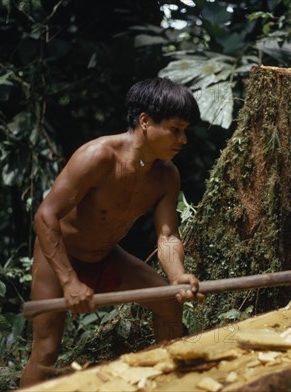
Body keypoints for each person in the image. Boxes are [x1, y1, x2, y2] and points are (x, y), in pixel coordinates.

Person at [20, 77, 205, 387]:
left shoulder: (166, 175)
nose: (183, 140)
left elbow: (168, 236)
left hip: (106, 257)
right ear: (145, 121)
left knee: (170, 306)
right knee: (46, 350)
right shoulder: (98, 156)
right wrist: (69, 281)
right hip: (61, 258)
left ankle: (169, 384)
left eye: (184, 131)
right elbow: (45, 215)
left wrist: (178, 277)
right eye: (176, 130)